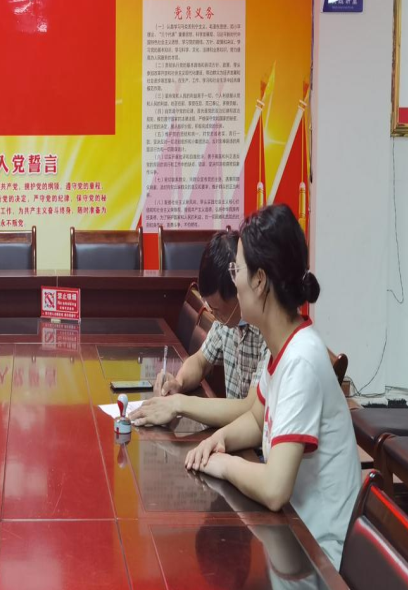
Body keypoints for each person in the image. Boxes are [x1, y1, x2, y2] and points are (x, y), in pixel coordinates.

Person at [185, 204, 361, 569]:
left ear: (260, 281)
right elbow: (255, 417)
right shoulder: (284, 346)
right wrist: (219, 440)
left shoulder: (301, 360)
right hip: (292, 534)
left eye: (237, 270)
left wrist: (222, 464)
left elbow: (275, 489)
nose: (233, 281)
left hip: (318, 555)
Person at [129, 230, 269, 429]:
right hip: (233, 434)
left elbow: (252, 410)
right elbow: (201, 361)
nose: (214, 315)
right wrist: (178, 383)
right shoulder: (226, 321)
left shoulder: (268, 330)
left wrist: (180, 404)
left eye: (218, 310)